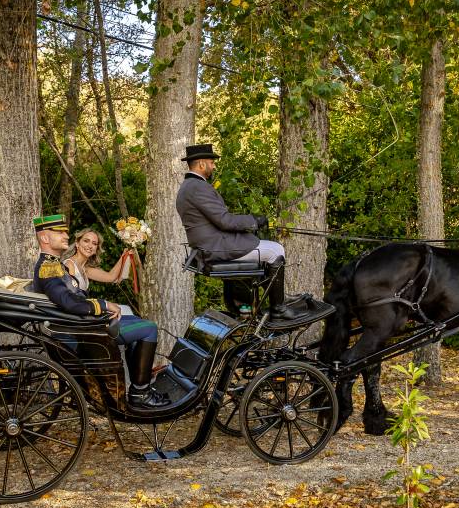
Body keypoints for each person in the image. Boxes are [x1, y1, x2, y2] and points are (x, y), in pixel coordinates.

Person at [31, 214, 166, 408]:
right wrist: (103, 305)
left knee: (137, 321)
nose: (65, 235)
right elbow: (70, 302)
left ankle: (139, 384)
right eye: (60, 232)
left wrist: (129, 249)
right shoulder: (50, 267)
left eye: (66, 232)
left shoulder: (54, 265)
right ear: (45, 238)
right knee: (149, 328)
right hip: (83, 330)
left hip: (84, 323)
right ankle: (140, 392)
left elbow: (108, 279)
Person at [174, 143, 291, 318]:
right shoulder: (198, 187)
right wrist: (254, 220)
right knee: (276, 250)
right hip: (215, 247)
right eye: (212, 162)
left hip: (210, 244)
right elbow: (225, 220)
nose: (214, 166)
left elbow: (219, 218)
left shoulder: (188, 187)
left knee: (266, 248)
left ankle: (256, 301)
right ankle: (278, 309)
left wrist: (250, 222)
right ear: (201, 164)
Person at [60, 228, 136, 304]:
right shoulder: (69, 265)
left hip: (81, 307)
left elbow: (111, 277)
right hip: (73, 311)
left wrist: (124, 256)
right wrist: (102, 305)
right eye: (86, 241)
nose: (90, 246)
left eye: (94, 243)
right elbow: (70, 298)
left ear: (96, 249)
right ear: (77, 243)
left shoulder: (85, 269)